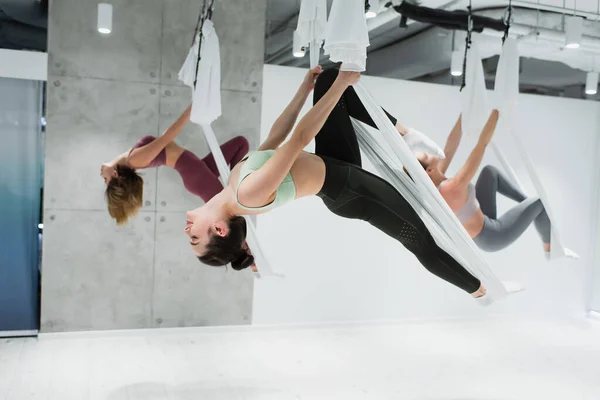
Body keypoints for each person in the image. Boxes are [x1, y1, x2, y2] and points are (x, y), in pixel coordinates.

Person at [184, 66, 492, 303]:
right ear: (220, 230)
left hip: (334, 161)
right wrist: (344, 83)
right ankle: (480, 291)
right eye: (195, 239)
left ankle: (404, 133)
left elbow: (275, 140)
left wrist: (306, 90)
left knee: (329, 78)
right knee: (419, 240)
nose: (188, 232)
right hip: (348, 191)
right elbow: (298, 141)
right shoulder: (247, 196)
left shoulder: (232, 188)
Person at [409, 112, 551, 255]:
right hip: (493, 236)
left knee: (490, 173)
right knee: (540, 202)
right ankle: (549, 246)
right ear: (429, 170)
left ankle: (527, 206)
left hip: (482, 217)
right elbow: (481, 145)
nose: (431, 153)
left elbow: (452, 142)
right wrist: (496, 112)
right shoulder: (452, 188)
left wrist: (466, 110)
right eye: (427, 155)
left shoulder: (434, 179)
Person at [101, 105, 249, 225]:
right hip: (196, 177)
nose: (102, 176)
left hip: (199, 168)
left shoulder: (129, 158)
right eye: (105, 180)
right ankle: (245, 253)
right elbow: (167, 137)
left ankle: (234, 185)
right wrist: (192, 109)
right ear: (115, 174)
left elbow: (166, 140)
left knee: (241, 144)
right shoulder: (135, 159)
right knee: (228, 213)